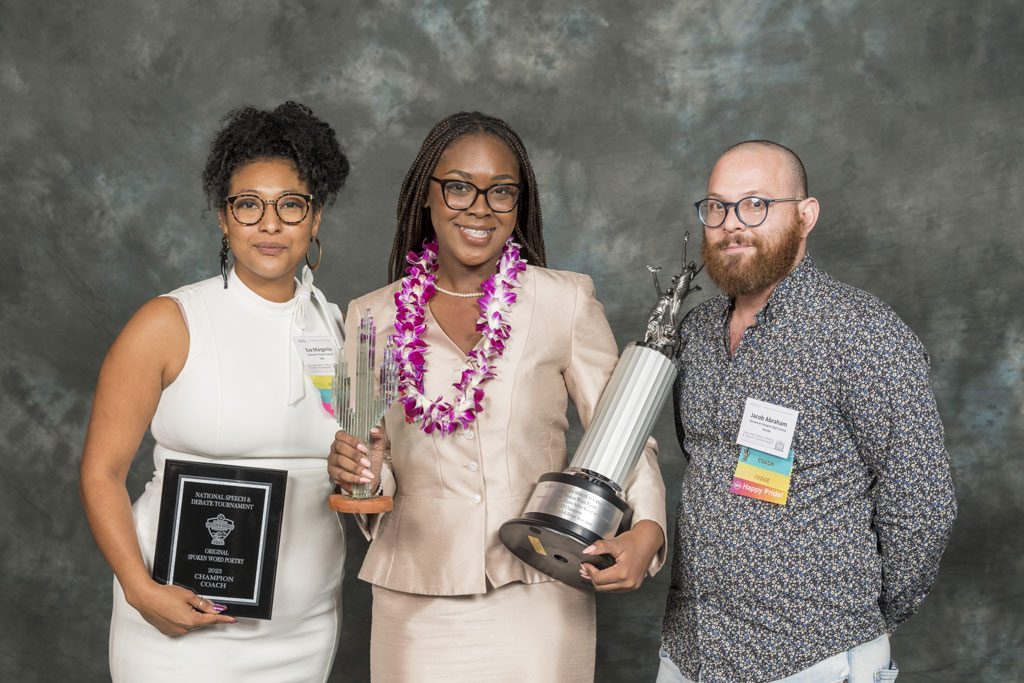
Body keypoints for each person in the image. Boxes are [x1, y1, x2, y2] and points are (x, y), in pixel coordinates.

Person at [328, 111, 667, 683]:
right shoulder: (367, 318)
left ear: (519, 202)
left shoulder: (565, 301)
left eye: (501, 191)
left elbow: (625, 428)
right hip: (415, 595)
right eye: (459, 186)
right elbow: (363, 472)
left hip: (539, 590)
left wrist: (649, 529)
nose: (480, 207)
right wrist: (357, 472)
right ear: (426, 196)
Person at [656, 140, 957, 683]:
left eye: (755, 204)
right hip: (691, 653)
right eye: (717, 207)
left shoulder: (861, 333)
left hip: (813, 658)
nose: (731, 224)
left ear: (806, 214)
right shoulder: (695, 334)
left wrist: (862, 621)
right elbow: (704, 463)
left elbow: (922, 502)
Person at [79, 102, 351, 682]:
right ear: (224, 219)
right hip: (178, 627)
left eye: (291, 206)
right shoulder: (169, 321)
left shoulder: (336, 325)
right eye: (248, 205)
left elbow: (347, 466)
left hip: (303, 633)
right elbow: (101, 472)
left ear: (316, 218)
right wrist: (138, 589)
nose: (270, 224)